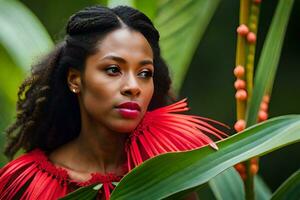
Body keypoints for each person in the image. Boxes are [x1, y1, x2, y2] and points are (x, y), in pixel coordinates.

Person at [0, 5, 226, 200]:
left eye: (145, 73)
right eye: (113, 70)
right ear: (75, 79)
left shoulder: (168, 160)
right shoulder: (30, 184)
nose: (133, 86)